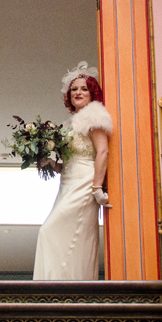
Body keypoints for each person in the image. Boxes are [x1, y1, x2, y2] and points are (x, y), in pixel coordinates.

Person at [33, 62, 112, 280]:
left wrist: (97, 188)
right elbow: (66, 163)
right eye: (74, 89)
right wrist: (48, 162)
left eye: (84, 88)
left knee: (48, 231)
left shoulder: (94, 116)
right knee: (64, 236)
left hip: (85, 184)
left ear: (92, 93)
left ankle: (60, 286)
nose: (78, 92)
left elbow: (102, 152)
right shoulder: (69, 123)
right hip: (67, 183)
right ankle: (61, 287)